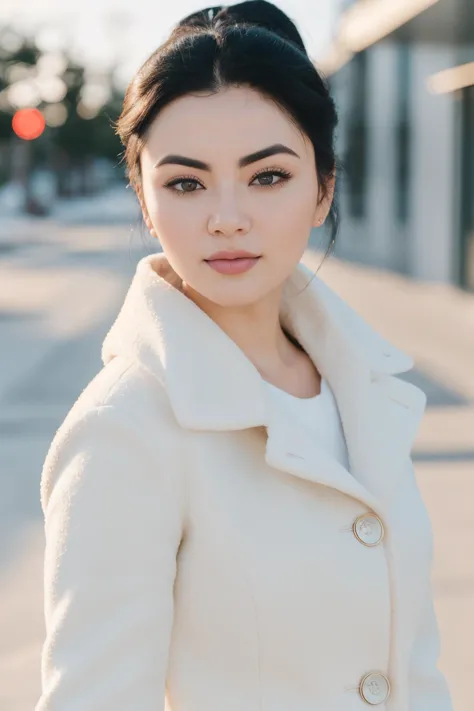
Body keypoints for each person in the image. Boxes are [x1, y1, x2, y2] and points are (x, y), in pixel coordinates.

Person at [35, 2, 453, 709]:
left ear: (323, 189)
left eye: (267, 177)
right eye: (186, 183)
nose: (226, 216)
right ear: (144, 200)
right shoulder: (126, 428)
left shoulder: (365, 384)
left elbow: (413, 665)